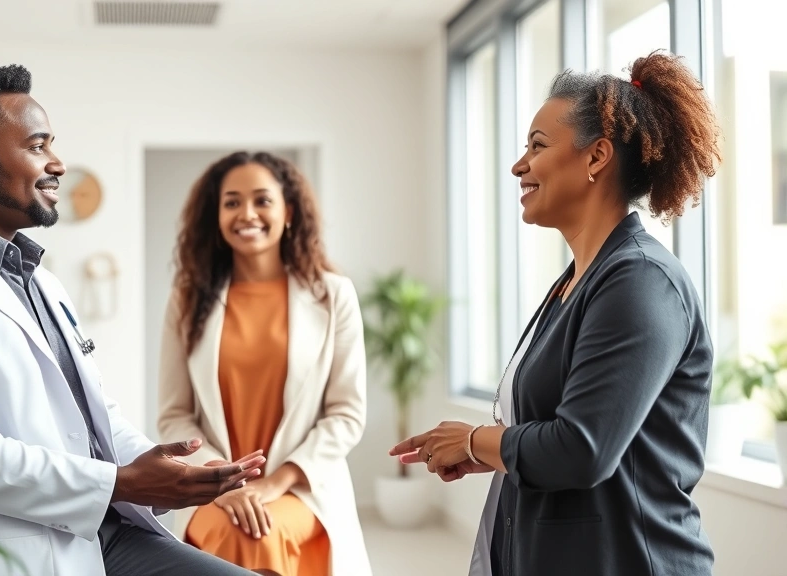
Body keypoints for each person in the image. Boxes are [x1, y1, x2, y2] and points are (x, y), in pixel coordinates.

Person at [0, 64, 271, 576]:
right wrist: (123, 482)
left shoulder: (38, 279)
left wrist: (172, 472)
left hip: (96, 533)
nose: (58, 163)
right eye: (37, 145)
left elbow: (92, 418)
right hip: (1, 553)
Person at [389, 51, 721, 576]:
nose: (519, 165)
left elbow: (582, 449)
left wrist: (475, 440)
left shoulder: (640, 281)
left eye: (538, 146)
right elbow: (557, 430)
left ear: (597, 157)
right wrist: (486, 453)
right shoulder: (575, 281)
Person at [157, 151, 371, 576]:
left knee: (260, 534)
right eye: (232, 202)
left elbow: (346, 413)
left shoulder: (333, 295)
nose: (247, 213)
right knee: (237, 532)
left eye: (262, 200)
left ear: (288, 211)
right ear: (217, 217)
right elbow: (175, 416)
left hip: (303, 485)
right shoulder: (186, 300)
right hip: (215, 486)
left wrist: (276, 482)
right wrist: (220, 479)